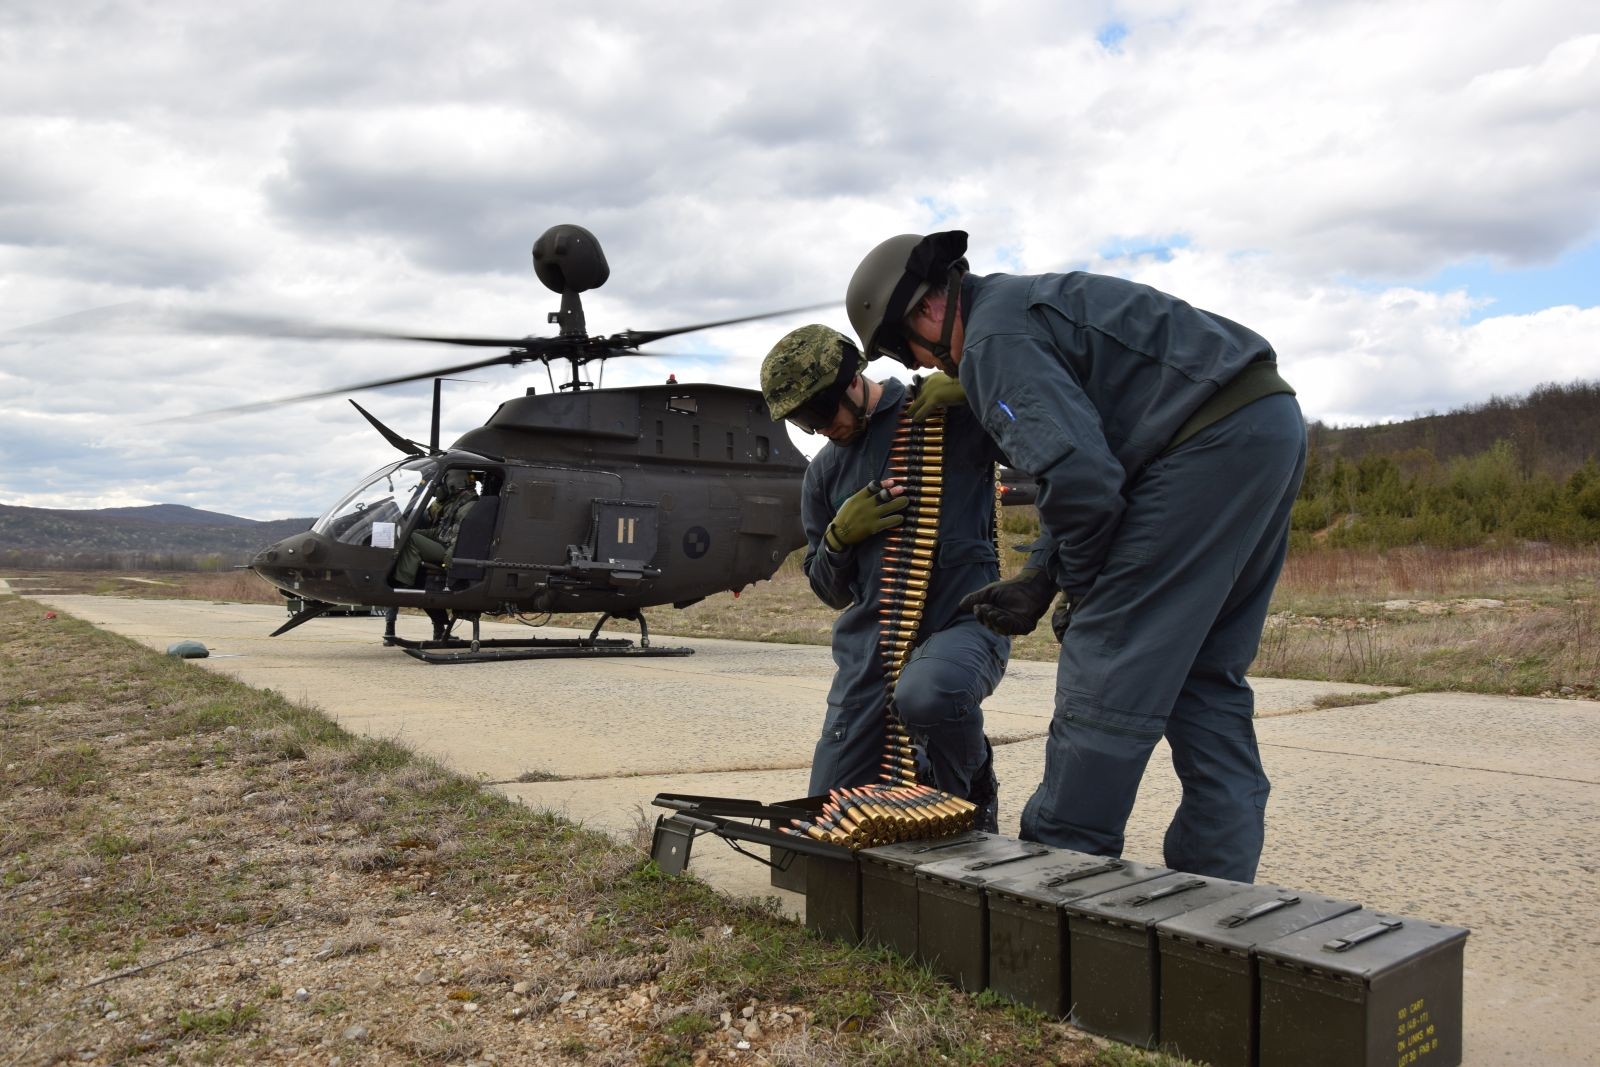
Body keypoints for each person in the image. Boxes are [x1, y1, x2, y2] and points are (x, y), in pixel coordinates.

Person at [845, 231, 1306, 882]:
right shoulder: (1018, 308)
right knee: (1203, 680)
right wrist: (1041, 576)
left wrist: (1079, 595)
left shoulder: (989, 342)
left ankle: (1057, 886)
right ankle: (1215, 900)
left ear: (924, 312)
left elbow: (1082, 480)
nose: (927, 368)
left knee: (1106, 668)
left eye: (907, 351)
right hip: (1262, 427)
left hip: (1200, 448)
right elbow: (1096, 464)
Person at [760, 324, 1009, 830]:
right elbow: (827, 590)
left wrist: (982, 389)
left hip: (964, 622)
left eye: (819, 412)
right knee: (832, 824)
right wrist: (837, 540)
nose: (818, 429)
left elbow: (1035, 434)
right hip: (871, 654)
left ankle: (972, 776)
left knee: (929, 695)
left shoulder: (941, 411)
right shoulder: (824, 474)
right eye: (803, 423)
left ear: (852, 381)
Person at [392, 469, 478, 640]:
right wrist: (413, 531)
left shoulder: (469, 506)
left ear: (453, 483)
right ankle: (439, 629)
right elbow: (442, 531)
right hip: (444, 543)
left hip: (449, 552)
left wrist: (449, 561)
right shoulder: (455, 503)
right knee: (409, 536)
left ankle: (403, 584)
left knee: (412, 540)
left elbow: (461, 539)